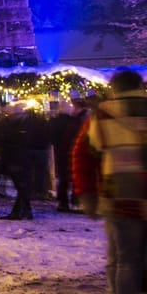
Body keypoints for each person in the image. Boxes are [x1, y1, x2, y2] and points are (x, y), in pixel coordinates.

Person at [88, 68, 147, 294]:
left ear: (115, 88)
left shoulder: (103, 113)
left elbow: (97, 144)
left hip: (118, 190)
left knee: (126, 259)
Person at [51, 99, 87, 213]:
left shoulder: (58, 121)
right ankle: (74, 202)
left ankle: (65, 202)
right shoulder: (74, 121)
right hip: (71, 152)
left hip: (64, 153)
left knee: (64, 178)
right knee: (73, 177)